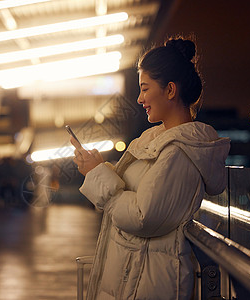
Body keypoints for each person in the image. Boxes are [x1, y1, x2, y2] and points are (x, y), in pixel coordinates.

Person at [70, 37, 230, 299]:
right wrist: (97, 167)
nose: (140, 98)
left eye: (145, 88)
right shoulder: (155, 141)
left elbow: (143, 216)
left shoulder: (181, 151)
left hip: (148, 282)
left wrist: (97, 174)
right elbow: (133, 192)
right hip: (134, 275)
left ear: (170, 90)